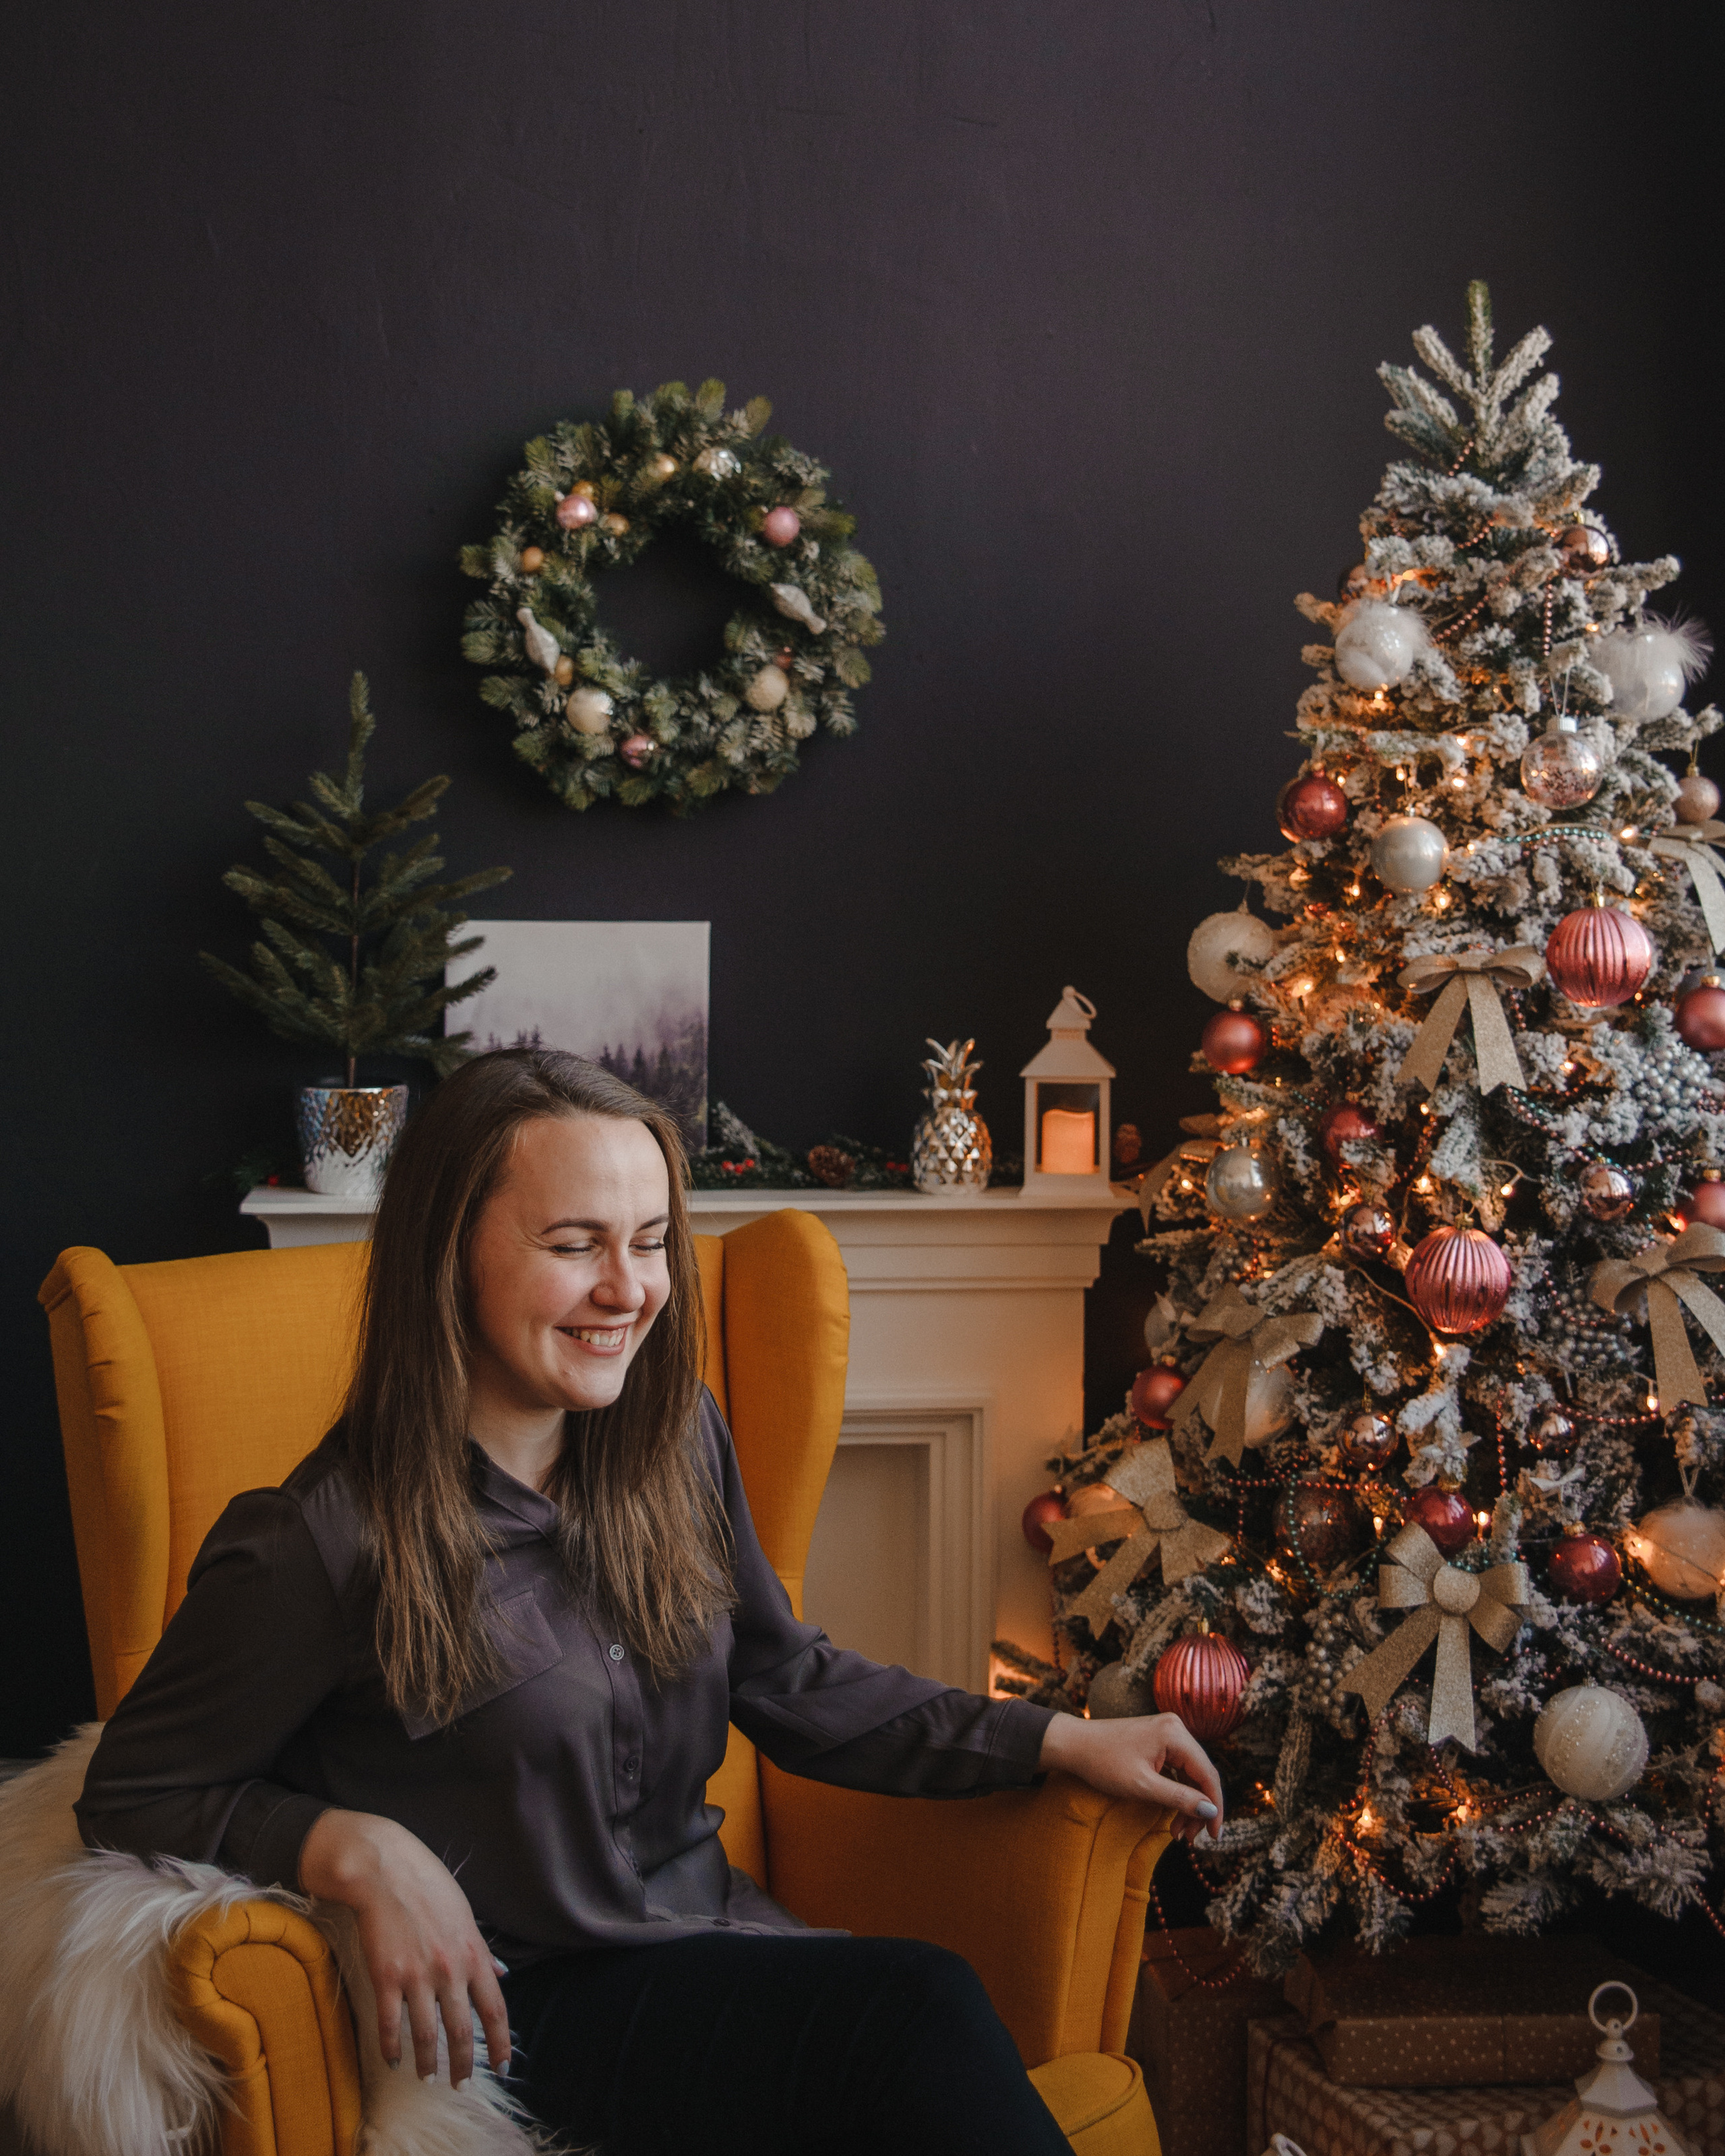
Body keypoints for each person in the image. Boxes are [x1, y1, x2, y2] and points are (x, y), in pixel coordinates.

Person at [77, 1049, 1223, 2156]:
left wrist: (1056, 1738)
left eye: (649, 1241)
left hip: (718, 1944)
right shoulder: (322, 1538)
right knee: (918, 2008)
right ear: (449, 1252)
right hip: (527, 2017)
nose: (628, 1291)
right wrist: (352, 1848)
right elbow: (133, 1790)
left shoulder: (675, 1441)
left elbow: (786, 1677)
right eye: (575, 1244)